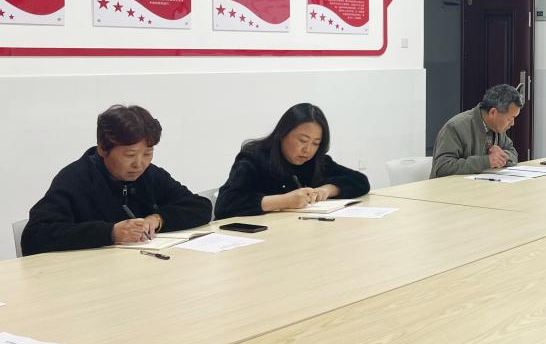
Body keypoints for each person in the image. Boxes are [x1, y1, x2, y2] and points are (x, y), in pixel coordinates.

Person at [22, 105, 212, 255]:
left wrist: (157, 219)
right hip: (89, 276)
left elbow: (199, 206)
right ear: (102, 149)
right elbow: (35, 235)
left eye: (148, 154)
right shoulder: (75, 179)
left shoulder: (150, 174)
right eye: (130, 155)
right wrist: (110, 233)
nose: (139, 164)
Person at [214, 103, 369, 219]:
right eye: (302, 140)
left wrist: (327, 190)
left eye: (316, 143)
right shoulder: (254, 158)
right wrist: (283, 201)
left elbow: (360, 181)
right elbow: (225, 205)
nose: (308, 150)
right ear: (282, 134)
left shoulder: (315, 161)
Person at [430, 84, 521, 178]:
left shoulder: (497, 127)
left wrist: (503, 155)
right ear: (493, 112)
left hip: (481, 184)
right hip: (451, 186)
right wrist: (486, 161)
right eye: (510, 118)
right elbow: (442, 167)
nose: (512, 123)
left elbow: (513, 153)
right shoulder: (455, 127)